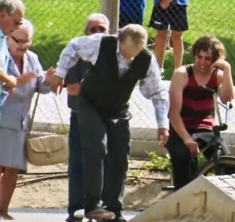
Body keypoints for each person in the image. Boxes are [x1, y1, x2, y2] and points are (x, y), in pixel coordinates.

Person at [47, 24, 169, 221]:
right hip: (90, 103)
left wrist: (162, 124)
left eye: (134, 56)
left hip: (118, 110)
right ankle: (92, 204)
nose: (129, 59)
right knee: (96, 147)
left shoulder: (147, 59)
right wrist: (60, 73)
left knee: (120, 157)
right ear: (120, 41)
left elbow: (156, 93)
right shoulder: (101, 43)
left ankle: (113, 210)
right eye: (126, 54)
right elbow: (73, 46)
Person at [0, 19, 55, 220]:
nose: (23, 45)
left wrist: (49, 80)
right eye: (19, 41)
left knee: (13, 168)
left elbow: (41, 85)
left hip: (19, 121)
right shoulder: (1, 57)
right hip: (1, 118)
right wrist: (10, 84)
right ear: (8, 38)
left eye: (27, 41)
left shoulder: (32, 58)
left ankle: (3, 210)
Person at [167, 35, 234, 190]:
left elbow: (226, 98)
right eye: (199, 57)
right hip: (181, 128)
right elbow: (174, 114)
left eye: (208, 59)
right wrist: (186, 139)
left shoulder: (217, 76)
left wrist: (227, 69)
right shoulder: (182, 74)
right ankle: (182, 196)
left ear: (216, 60)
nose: (202, 62)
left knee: (226, 161)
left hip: (205, 129)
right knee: (182, 157)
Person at [64, 13, 110, 222]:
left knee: (108, 164)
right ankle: (75, 210)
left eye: (102, 29)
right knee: (77, 164)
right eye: (93, 29)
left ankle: (105, 208)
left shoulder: (115, 56)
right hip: (80, 118)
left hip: (107, 119)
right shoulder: (75, 54)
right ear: (85, 33)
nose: (98, 34)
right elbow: (72, 88)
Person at [0, 0, 26, 117]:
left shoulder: (3, 38)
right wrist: (8, 79)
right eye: (16, 22)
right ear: (3, 15)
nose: (17, 28)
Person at [148, 0, 189, 72]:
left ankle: (178, 71)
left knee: (177, 35)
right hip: (160, 3)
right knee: (160, 33)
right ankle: (158, 70)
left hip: (178, 4)